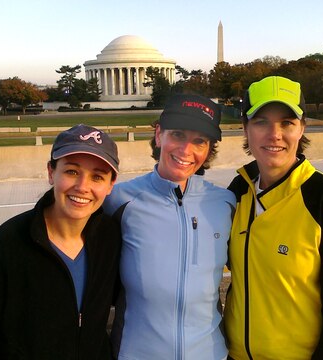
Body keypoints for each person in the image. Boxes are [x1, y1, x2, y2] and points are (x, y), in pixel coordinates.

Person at [224, 76, 323, 359]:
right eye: (261, 121)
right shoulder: (237, 192)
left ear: (302, 128)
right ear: (245, 129)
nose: (274, 134)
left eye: (287, 123)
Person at [0, 124, 121, 360]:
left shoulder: (111, 237)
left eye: (97, 176)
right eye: (72, 172)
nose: (82, 187)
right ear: (51, 173)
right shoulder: (4, 245)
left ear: (110, 185)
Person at [103, 94, 236, 360]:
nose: (186, 150)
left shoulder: (225, 203)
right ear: (159, 135)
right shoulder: (118, 200)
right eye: (177, 134)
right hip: (136, 353)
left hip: (210, 354)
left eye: (199, 141)